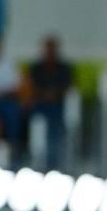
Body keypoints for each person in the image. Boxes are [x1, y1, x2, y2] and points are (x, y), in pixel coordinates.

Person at [28, 35, 73, 169]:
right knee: (38, 117)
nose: (49, 51)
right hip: (40, 104)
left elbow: (68, 88)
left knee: (55, 122)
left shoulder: (64, 68)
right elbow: (31, 88)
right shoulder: (36, 68)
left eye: (52, 48)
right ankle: (38, 159)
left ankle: (53, 162)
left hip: (59, 106)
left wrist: (54, 94)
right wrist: (45, 95)